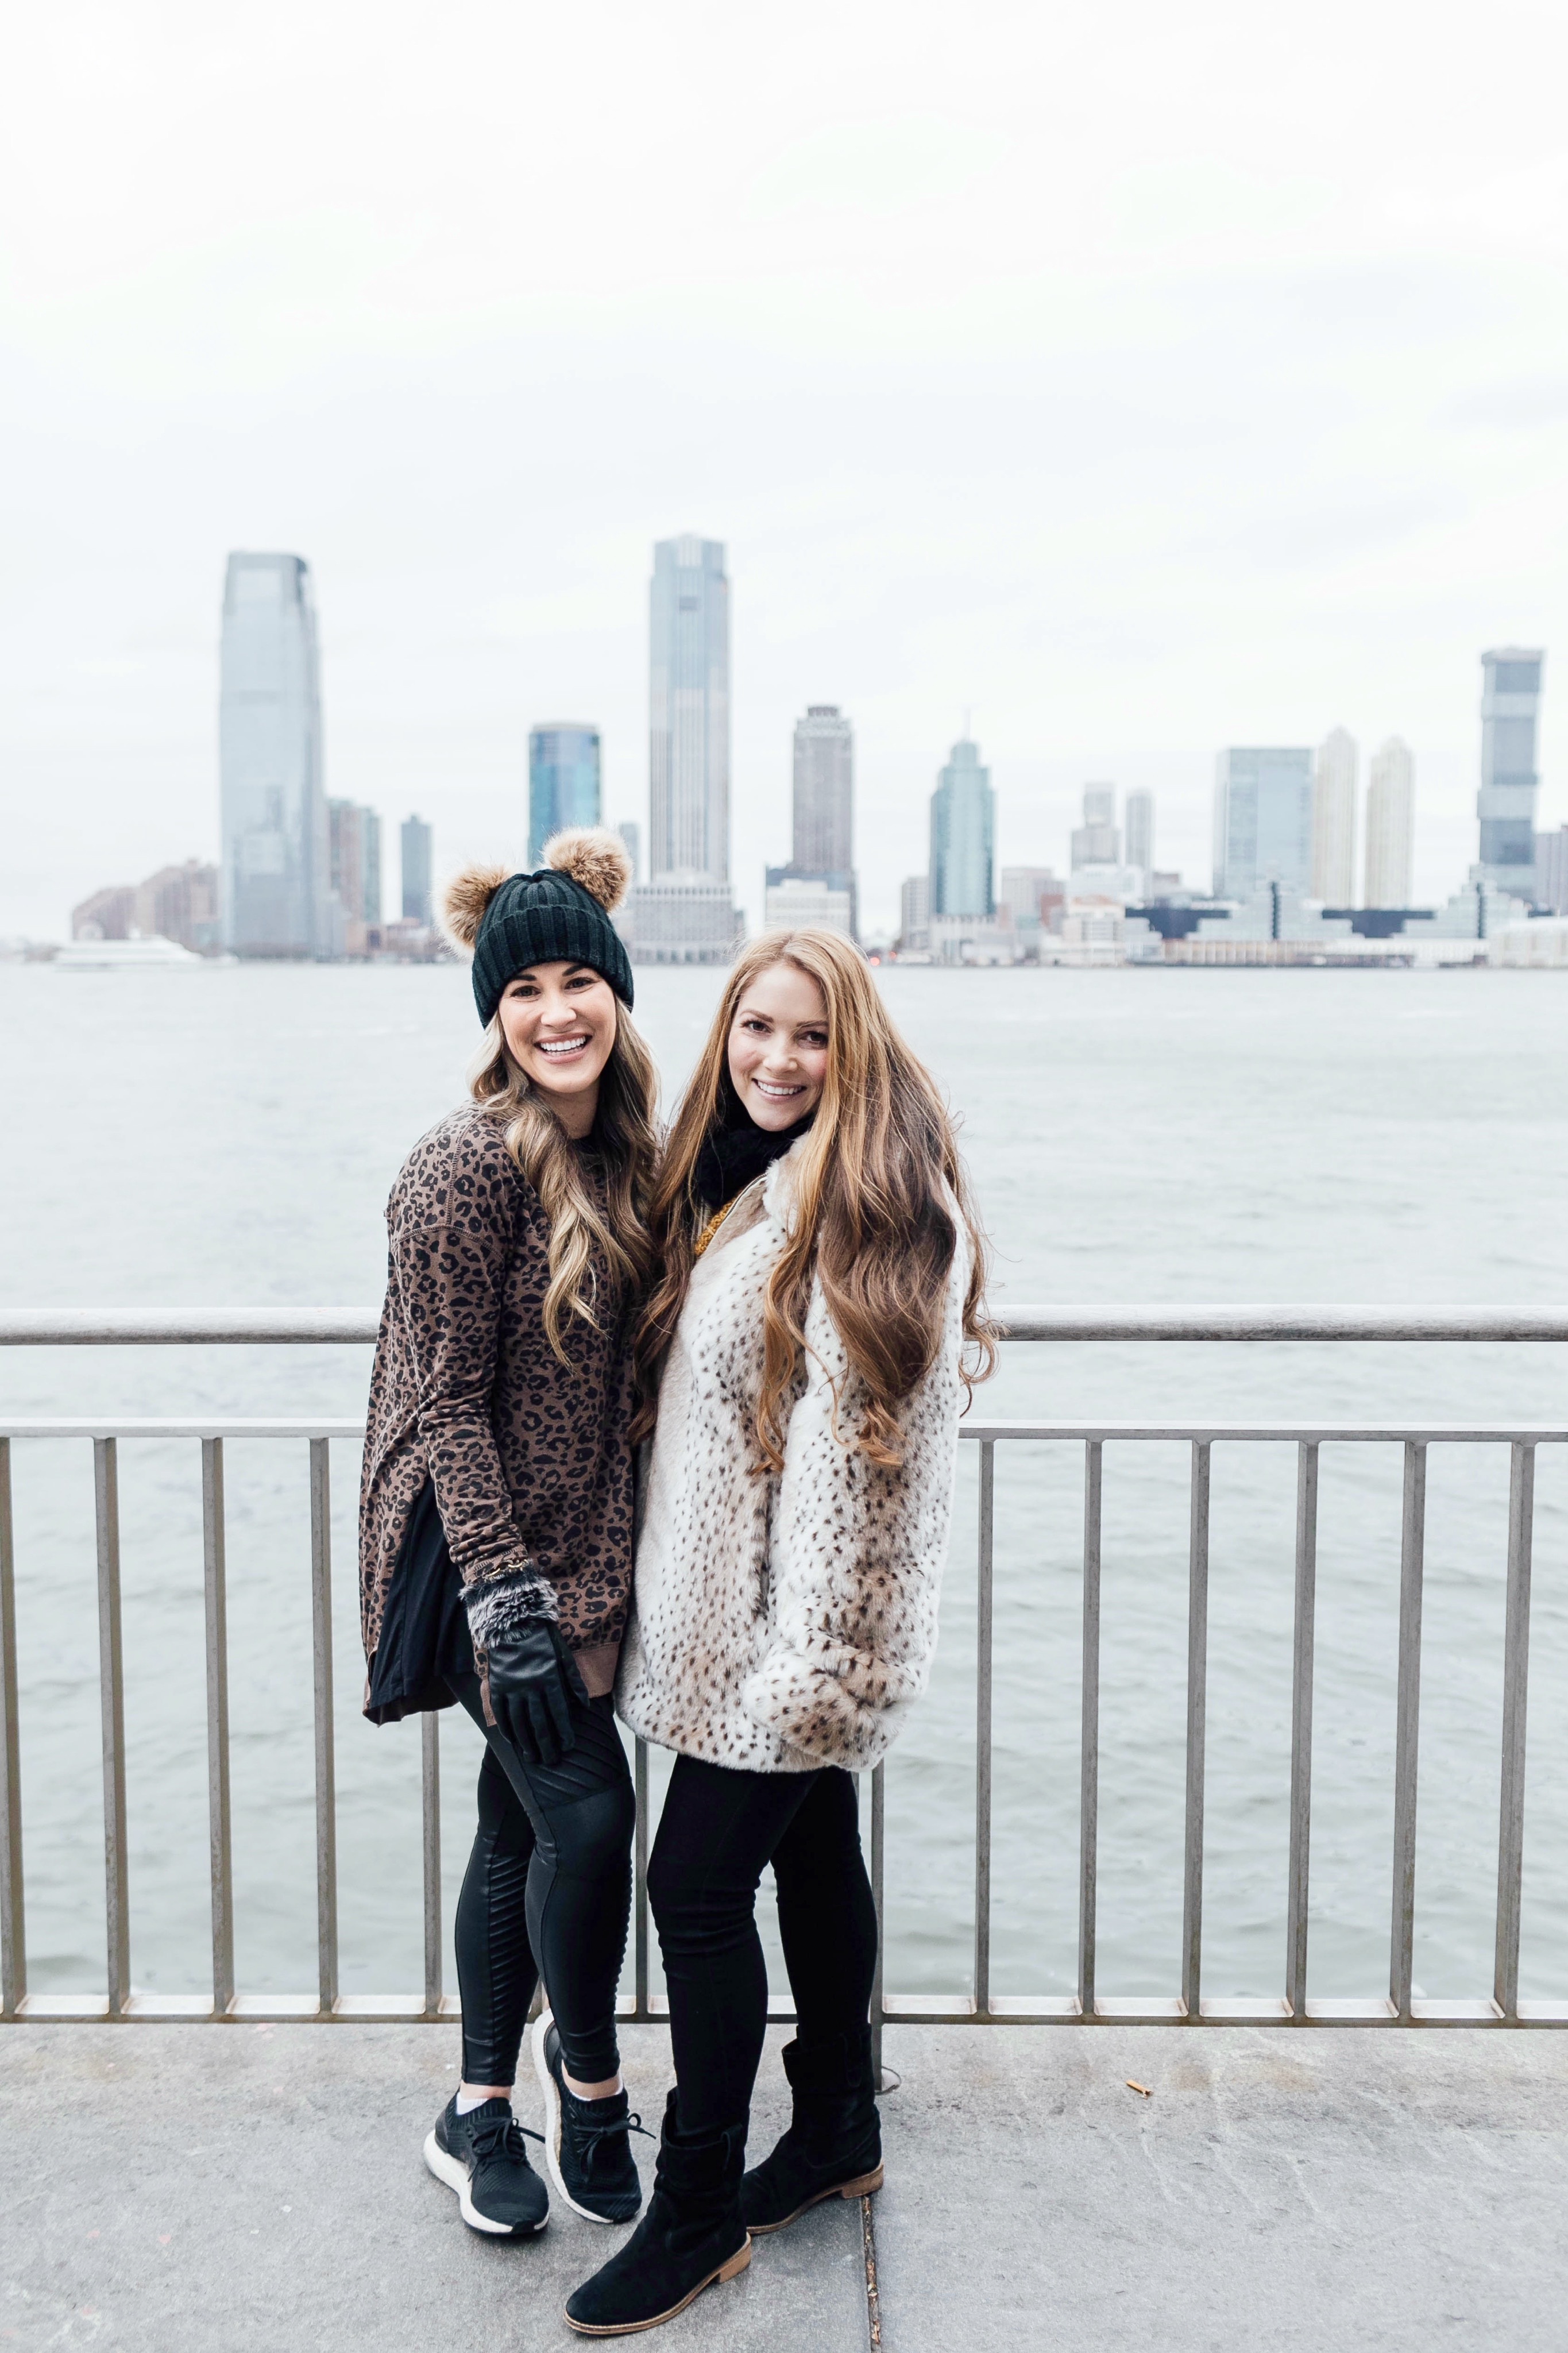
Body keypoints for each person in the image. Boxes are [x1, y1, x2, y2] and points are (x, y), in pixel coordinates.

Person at [565, 929, 993, 2336]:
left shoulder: (875, 1209)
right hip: (729, 1626)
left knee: (691, 1894)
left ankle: (695, 2209)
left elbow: (864, 1477)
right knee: (814, 1852)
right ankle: (838, 2126)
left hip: (791, 1652)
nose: (777, 1058)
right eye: (757, 1027)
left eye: (810, 1035)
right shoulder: (748, 1179)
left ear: (851, 1044)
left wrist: (810, 1674)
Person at [358, 828, 656, 2244]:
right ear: (494, 1012)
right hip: (490, 1564)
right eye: (523, 986)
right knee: (591, 1817)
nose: (555, 1010)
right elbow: (444, 1407)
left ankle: (474, 2107)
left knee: (515, 1830)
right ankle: (585, 2078)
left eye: (577, 979)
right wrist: (506, 1599)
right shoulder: (458, 1173)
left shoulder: (637, 1159)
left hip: (593, 1553)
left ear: (616, 991)